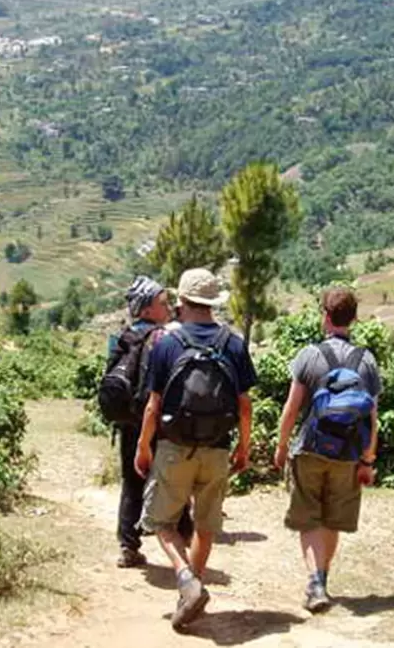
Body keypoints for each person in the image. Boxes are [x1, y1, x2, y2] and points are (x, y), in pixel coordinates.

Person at [135, 268, 255, 631]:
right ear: (212, 303)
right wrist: (244, 448)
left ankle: (187, 580)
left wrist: (143, 445)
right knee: (205, 525)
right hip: (218, 448)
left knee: (160, 521)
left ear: (182, 301)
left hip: (174, 446)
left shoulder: (167, 344)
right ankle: (193, 588)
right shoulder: (232, 344)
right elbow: (245, 405)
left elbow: (154, 405)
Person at [273, 287, 381, 613]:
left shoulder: (309, 355)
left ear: (325, 316)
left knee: (308, 517)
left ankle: (315, 581)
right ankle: (322, 577)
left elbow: (291, 410)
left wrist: (281, 446)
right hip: (347, 454)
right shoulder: (367, 360)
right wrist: (367, 459)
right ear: (354, 318)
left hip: (309, 447)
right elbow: (372, 418)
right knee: (332, 519)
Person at [106, 276, 193, 569]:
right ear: (146, 310)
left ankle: (128, 546)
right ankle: (185, 542)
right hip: (159, 421)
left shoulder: (122, 337)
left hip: (129, 421)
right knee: (173, 481)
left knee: (131, 481)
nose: (167, 306)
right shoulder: (165, 338)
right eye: (161, 302)